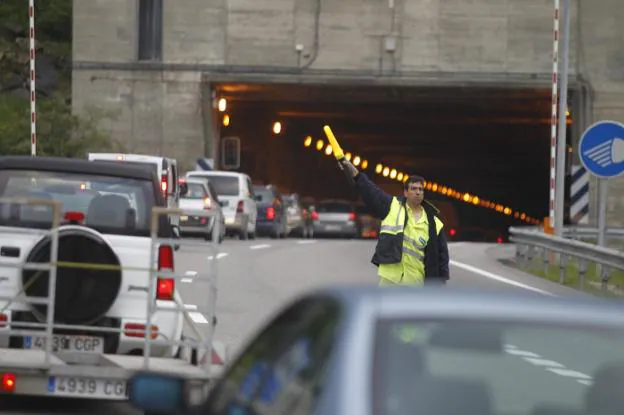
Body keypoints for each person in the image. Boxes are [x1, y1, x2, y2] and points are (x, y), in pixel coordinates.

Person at [339, 159, 450, 286]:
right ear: (405, 192)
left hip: (415, 285)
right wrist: (352, 170)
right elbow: (370, 190)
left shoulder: (434, 223)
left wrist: (439, 285)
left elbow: (442, 258)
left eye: (420, 189)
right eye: (414, 189)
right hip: (389, 283)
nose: (418, 192)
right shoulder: (392, 206)